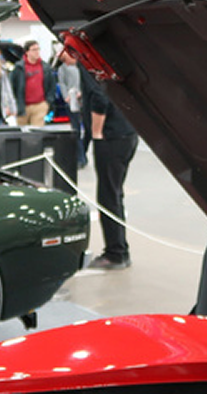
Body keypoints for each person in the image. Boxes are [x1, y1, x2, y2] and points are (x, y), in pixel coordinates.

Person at [82, 68, 138, 269]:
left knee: (108, 197)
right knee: (114, 194)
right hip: (127, 133)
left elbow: (100, 95)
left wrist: (96, 133)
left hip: (110, 137)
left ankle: (116, 254)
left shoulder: (88, 65)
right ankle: (120, 249)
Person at [12, 39, 56, 126]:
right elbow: (13, 85)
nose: (37, 52)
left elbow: (52, 85)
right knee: (22, 130)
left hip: (40, 105)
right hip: (23, 106)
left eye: (38, 49)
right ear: (27, 52)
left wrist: (48, 102)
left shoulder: (45, 67)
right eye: (34, 50)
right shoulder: (19, 67)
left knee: (37, 131)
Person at [55, 47, 86, 167]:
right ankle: (80, 158)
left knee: (86, 131)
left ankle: (83, 155)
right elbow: (62, 83)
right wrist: (66, 96)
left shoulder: (80, 66)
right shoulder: (62, 69)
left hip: (83, 101)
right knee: (76, 131)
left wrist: (82, 91)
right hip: (72, 102)